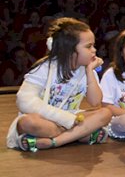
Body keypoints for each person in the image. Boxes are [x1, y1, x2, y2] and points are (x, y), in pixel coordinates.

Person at [6, 17, 112, 151]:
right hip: (47, 120)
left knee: (105, 113)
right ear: (69, 50)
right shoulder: (45, 68)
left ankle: (54, 141)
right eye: (88, 46)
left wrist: (90, 71)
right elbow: (24, 100)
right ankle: (79, 135)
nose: (94, 50)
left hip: (73, 118)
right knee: (27, 122)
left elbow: (96, 102)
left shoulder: (86, 69)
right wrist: (64, 119)